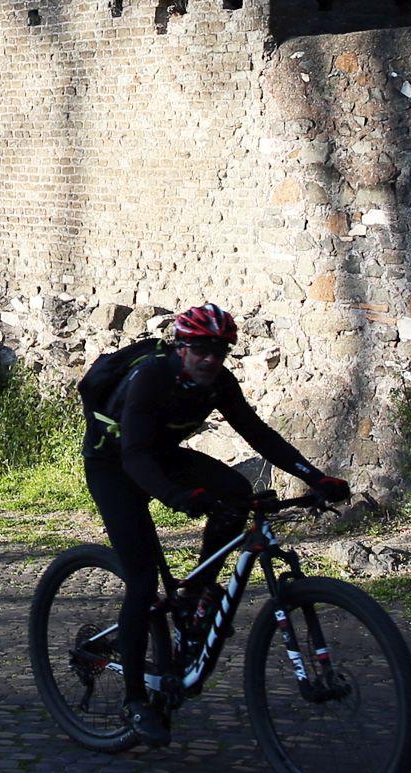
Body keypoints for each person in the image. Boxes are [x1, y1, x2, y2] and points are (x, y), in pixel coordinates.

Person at [81, 304, 349, 748]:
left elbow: (257, 433)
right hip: (115, 465)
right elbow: (135, 457)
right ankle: (133, 701)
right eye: (201, 348)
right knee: (143, 582)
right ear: (182, 347)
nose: (210, 358)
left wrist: (313, 476)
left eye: (220, 351)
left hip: (161, 455)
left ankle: (198, 592)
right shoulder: (153, 378)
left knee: (237, 494)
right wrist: (177, 496)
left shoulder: (218, 382)